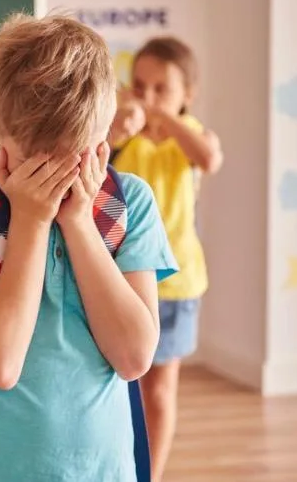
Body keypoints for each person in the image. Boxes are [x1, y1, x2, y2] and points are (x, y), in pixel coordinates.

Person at [0, 13, 178, 481]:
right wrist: (30, 221)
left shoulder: (130, 201)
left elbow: (133, 359)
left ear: (108, 126)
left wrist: (78, 223)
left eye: (80, 154)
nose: (63, 177)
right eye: (39, 161)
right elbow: (1, 363)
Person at [109, 36, 224, 482]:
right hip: (122, 281)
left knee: (159, 391)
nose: (150, 97)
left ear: (187, 95)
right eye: (140, 86)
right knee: (123, 387)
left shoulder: (194, 136)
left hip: (175, 283)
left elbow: (209, 158)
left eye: (163, 89)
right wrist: (124, 125)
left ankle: (150, 475)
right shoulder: (125, 137)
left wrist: (164, 118)